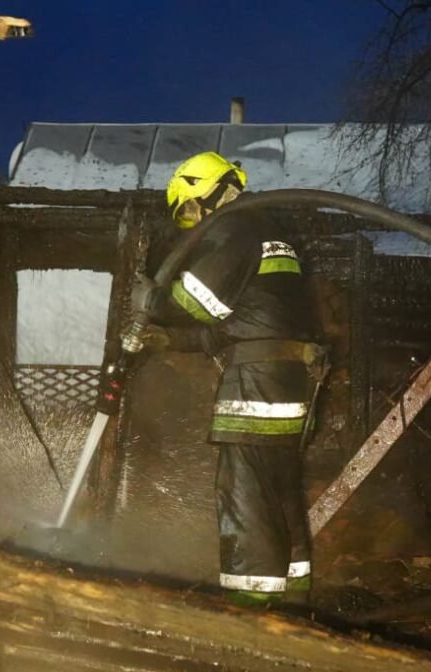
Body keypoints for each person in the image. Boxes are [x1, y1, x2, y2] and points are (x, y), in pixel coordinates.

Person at [131, 151, 326, 607]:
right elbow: (238, 325)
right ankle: (292, 605)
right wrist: (169, 342)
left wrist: (151, 300)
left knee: (246, 497)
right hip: (288, 380)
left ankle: (248, 614)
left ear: (207, 194)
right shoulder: (271, 233)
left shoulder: (234, 227)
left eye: (189, 210)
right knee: (278, 493)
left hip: (258, 388)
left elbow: (194, 303)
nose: (191, 223)